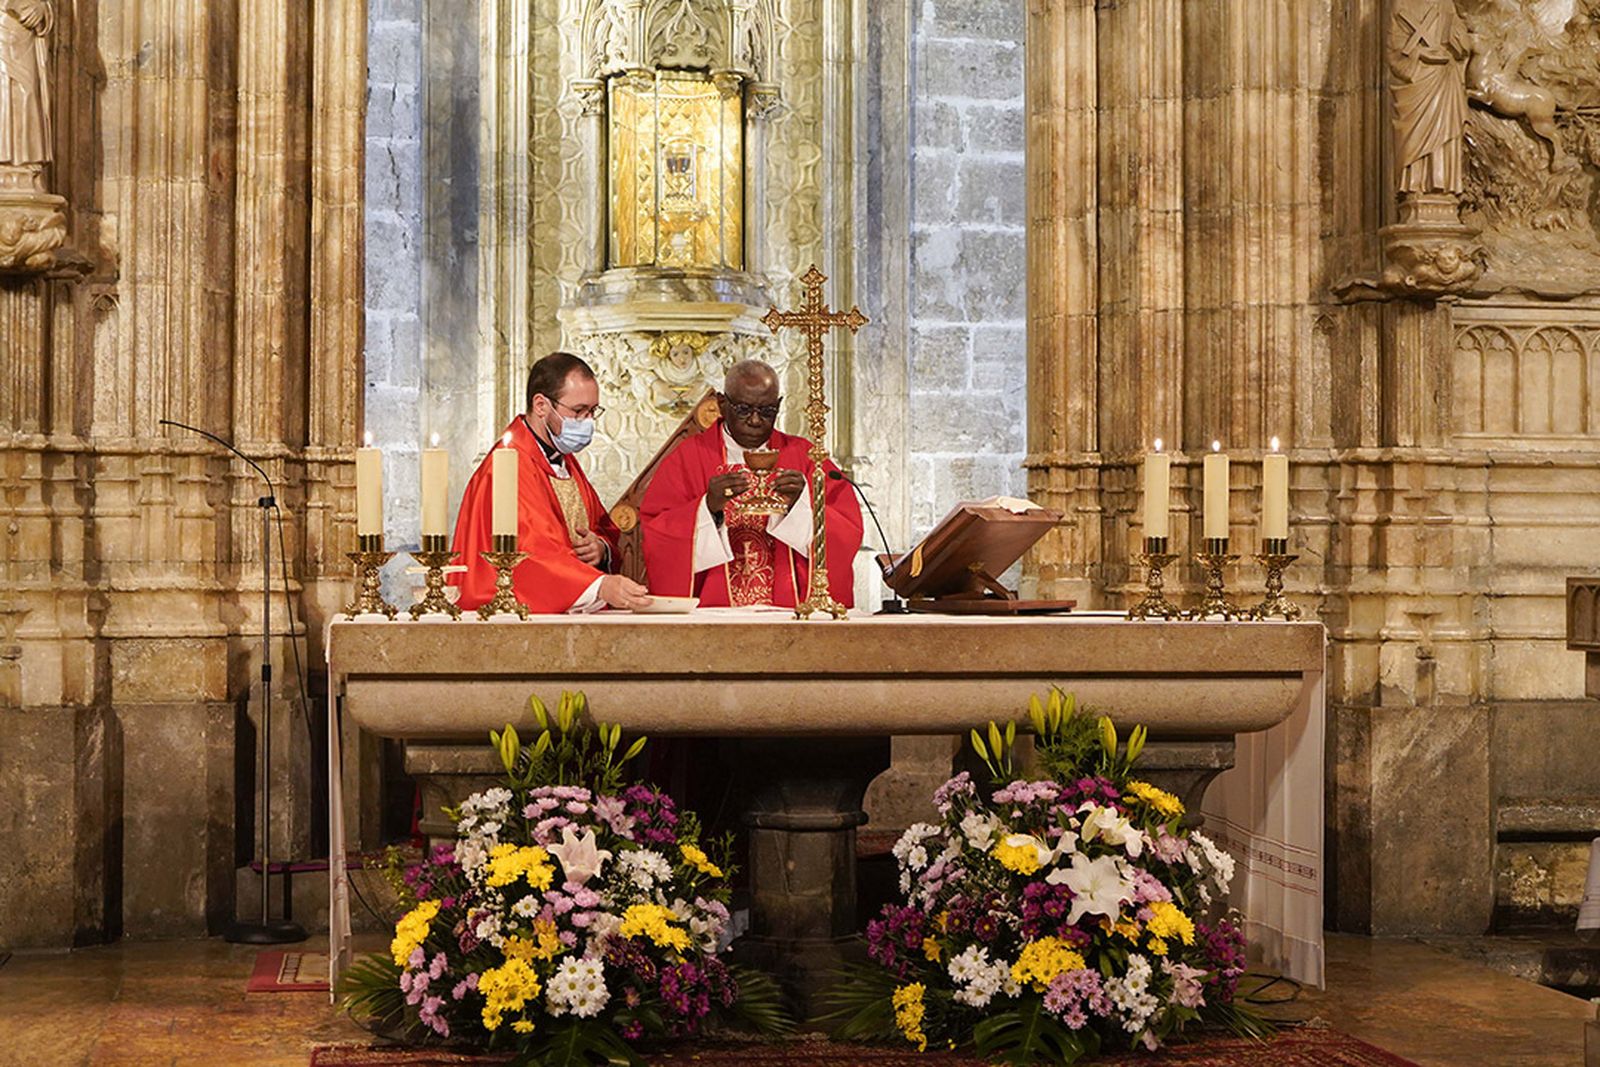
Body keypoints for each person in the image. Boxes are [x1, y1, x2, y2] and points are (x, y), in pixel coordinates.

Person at [640, 358, 863, 607]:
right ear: (723, 405)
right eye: (744, 409)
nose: (756, 421)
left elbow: (847, 530)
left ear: (778, 406)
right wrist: (708, 508)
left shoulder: (805, 456)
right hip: (715, 610)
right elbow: (657, 535)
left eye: (767, 411)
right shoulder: (689, 457)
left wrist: (801, 504)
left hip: (789, 610)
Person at [451, 352, 651, 613]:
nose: (587, 421)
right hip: (508, 614)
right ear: (542, 405)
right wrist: (599, 585)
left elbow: (602, 527)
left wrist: (600, 548)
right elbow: (530, 554)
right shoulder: (509, 464)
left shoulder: (562, 460)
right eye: (579, 411)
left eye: (593, 411)